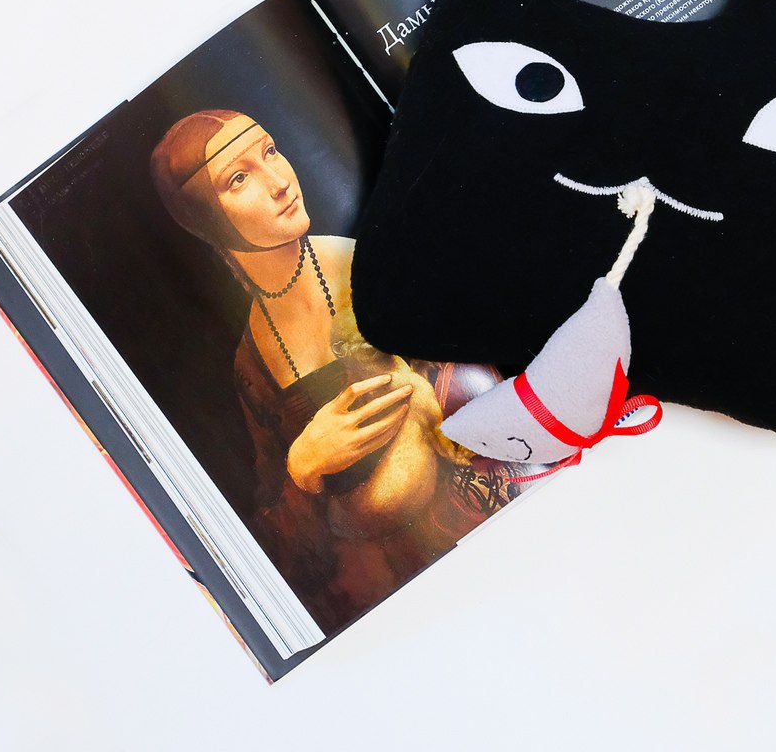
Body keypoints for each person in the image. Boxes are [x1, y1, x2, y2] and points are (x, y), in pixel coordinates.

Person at [150, 109, 512, 631]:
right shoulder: (252, 366)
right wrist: (303, 467)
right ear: (207, 218)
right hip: (399, 606)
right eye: (239, 177)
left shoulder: (366, 267)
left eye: (270, 151)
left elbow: (490, 388)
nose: (279, 182)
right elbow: (284, 551)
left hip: (492, 534)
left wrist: (422, 395)